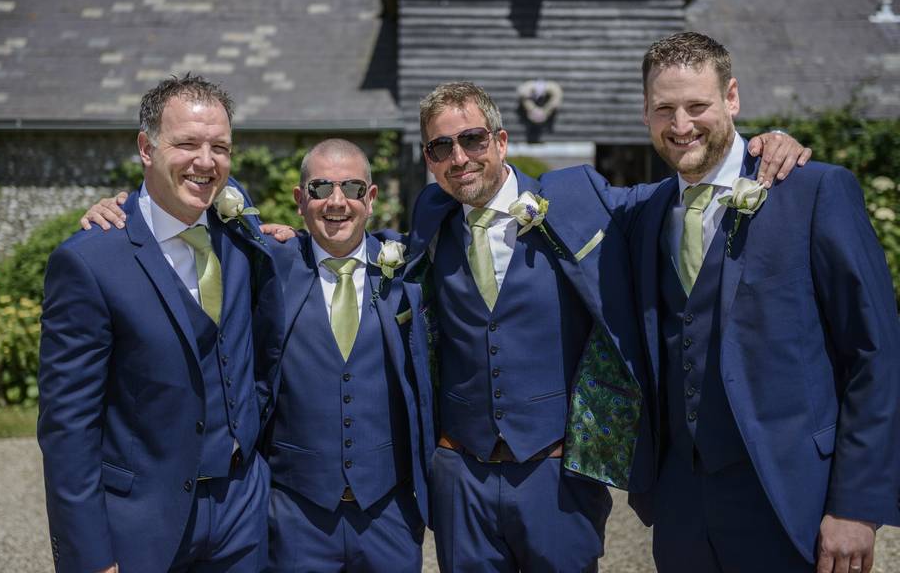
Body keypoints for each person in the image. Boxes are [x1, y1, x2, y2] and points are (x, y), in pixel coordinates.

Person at [405, 81, 809, 572]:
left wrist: (756, 150)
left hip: (557, 473)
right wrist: (291, 240)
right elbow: (358, 251)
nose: (459, 157)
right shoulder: (430, 219)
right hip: (461, 472)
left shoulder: (576, 196)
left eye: (472, 139)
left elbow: (675, 191)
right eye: (441, 146)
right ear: (429, 157)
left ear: (501, 140)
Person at [621, 31, 900, 573]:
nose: (681, 126)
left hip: (792, 495)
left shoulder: (814, 191)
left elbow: (876, 352)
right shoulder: (643, 212)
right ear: (646, 113)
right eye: (664, 109)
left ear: (732, 98)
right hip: (681, 506)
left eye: (698, 105)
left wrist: (856, 507)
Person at [38, 74, 275, 572]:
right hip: (144, 522)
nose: (206, 162)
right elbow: (68, 427)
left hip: (243, 515)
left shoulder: (240, 230)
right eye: (186, 143)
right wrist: (90, 556)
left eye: (220, 147)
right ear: (146, 148)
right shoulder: (90, 261)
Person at [252, 138, 434, 571]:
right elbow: (196, 210)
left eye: (352, 188)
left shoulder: (409, 266)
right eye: (320, 189)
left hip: (389, 513)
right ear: (300, 200)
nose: (337, 202)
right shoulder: (268, 265)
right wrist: (125, 205)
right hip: (296, 515)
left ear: (369, 199)